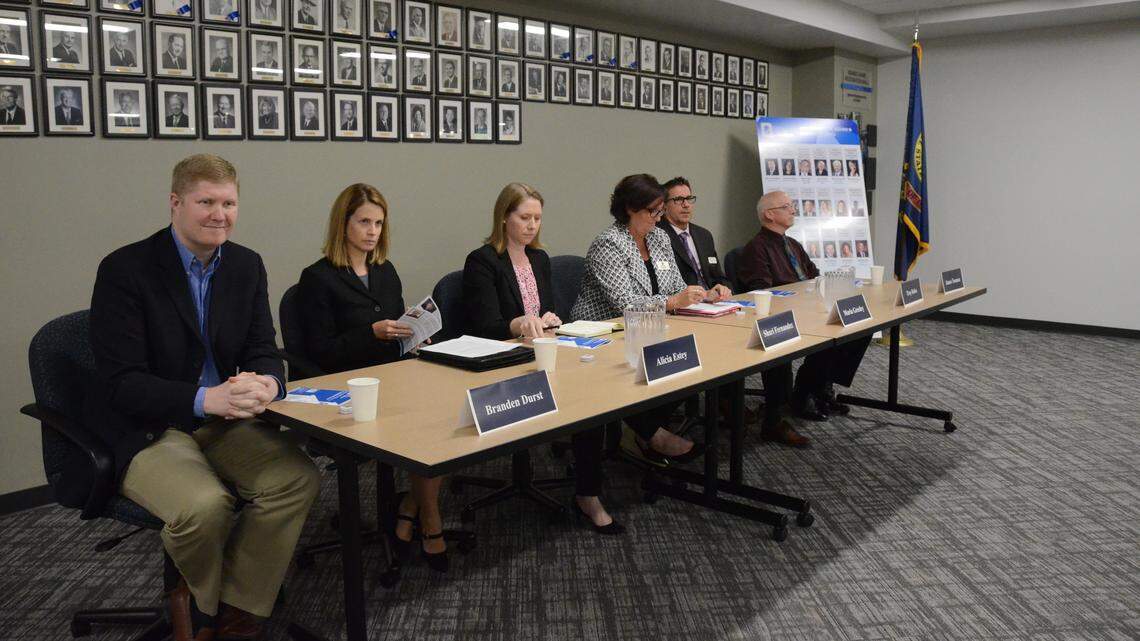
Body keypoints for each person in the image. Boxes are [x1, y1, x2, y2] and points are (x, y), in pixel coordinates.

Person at [87, 155, 319, 641]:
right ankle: (197, 609)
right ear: (176, 203)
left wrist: (268, 383)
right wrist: (203, 399)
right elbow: (121, 382)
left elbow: (262, 346)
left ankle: (233, 609)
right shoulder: (125, 270)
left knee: (295, 479)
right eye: (205, 202)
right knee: (204, 506)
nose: (219, 214)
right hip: (152, 424)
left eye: (229, 202)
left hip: (226, 421)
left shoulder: (246, 264)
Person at [296, 183, 448, 572]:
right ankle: (427, 521)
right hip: (344, 386)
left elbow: (394, 328)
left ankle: (410, 506)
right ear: (342, 223)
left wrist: (412, 336)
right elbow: (320, 351)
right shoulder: (319, 278)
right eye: (364, 221)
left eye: (379, 223)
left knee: (443, 417)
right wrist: (372, 334)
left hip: (391, 375)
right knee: (420, 427)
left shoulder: (385, 270)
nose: (372, 231)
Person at [569, 174, 707, 531]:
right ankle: (593, 487)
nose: (659, 218)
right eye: (652, 211)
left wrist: (700, 294)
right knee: (597, 401)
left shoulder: (659, 238)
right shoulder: (608, 245)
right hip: (601, 337)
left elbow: (676, 287)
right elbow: (625, 303)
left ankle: (646, 430)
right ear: (629, 209)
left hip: (649, 332)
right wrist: (672, 302)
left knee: (693, 361)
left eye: (662, 211)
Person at [736, 191, 870, 446]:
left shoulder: (793, 243)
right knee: (780, 342)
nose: (793, 210)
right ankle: (778, 415)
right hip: (780, 317)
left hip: (809, 310)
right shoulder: (757, 248)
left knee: (856, 327)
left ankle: (813, 388)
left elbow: (815, 275)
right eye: (786, 206)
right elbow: (761, 291)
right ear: (769, 214)